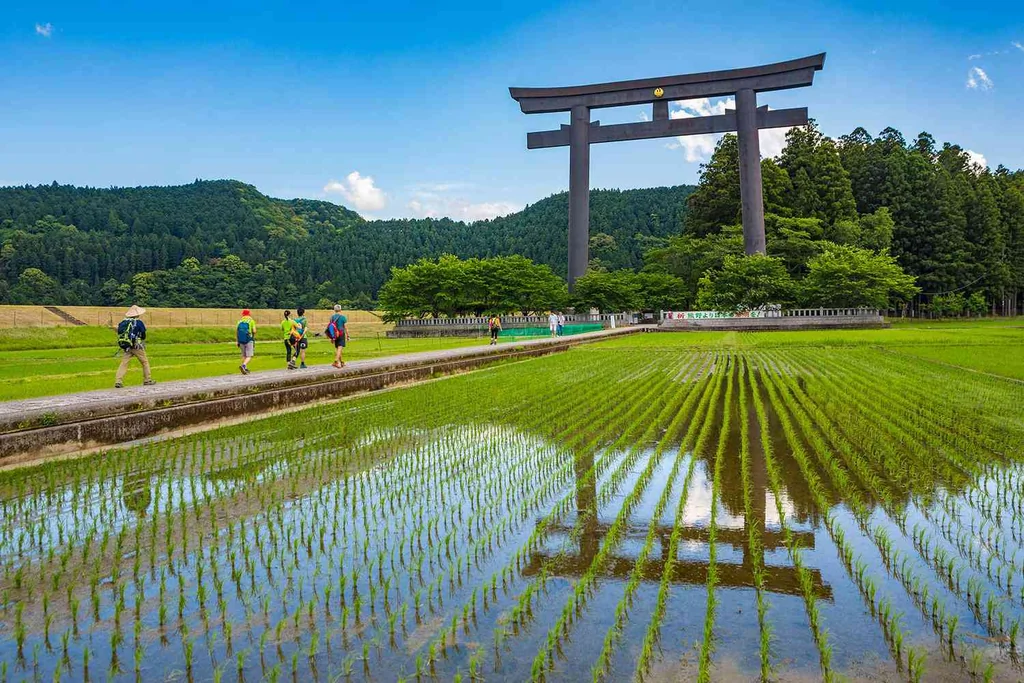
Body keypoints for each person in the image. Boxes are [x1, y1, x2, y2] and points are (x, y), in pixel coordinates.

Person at [114, 304, 155, 388]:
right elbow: (143, 334)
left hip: (127, 346)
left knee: (124, 363)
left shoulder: (123, 322)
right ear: (137, 314)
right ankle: (147, 380)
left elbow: (119, 332)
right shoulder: (138, 322)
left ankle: (118, 381)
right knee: (144, 362)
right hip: (137, 346)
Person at [236, 309, 257, 374]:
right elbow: (254, 331)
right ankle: (243, 365)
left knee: (243, 355)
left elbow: (237, 331)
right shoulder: (251, 321)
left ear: (243, 314)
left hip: (241, 340)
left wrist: (237, 341)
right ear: (249, 314)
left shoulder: (239, 321)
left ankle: (245, 368)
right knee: (249, 355)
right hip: (249, 339)